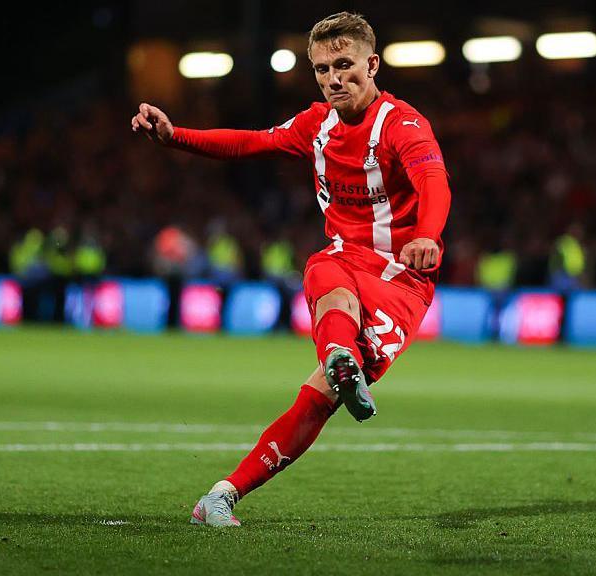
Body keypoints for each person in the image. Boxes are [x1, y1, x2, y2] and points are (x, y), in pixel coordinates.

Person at [131, 12, 451, 527]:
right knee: (324, 270)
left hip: (402, 279)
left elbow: (434, 181)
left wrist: (428, 235)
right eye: (323, 69)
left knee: (318, 402)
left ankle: (235, 480)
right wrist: (176, 137)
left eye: (344, 65)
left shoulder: (403, 125)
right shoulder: (315, 124)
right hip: (344, 258)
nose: (333, 79)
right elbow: (249, 142)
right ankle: (222, 496)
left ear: (372, 64)